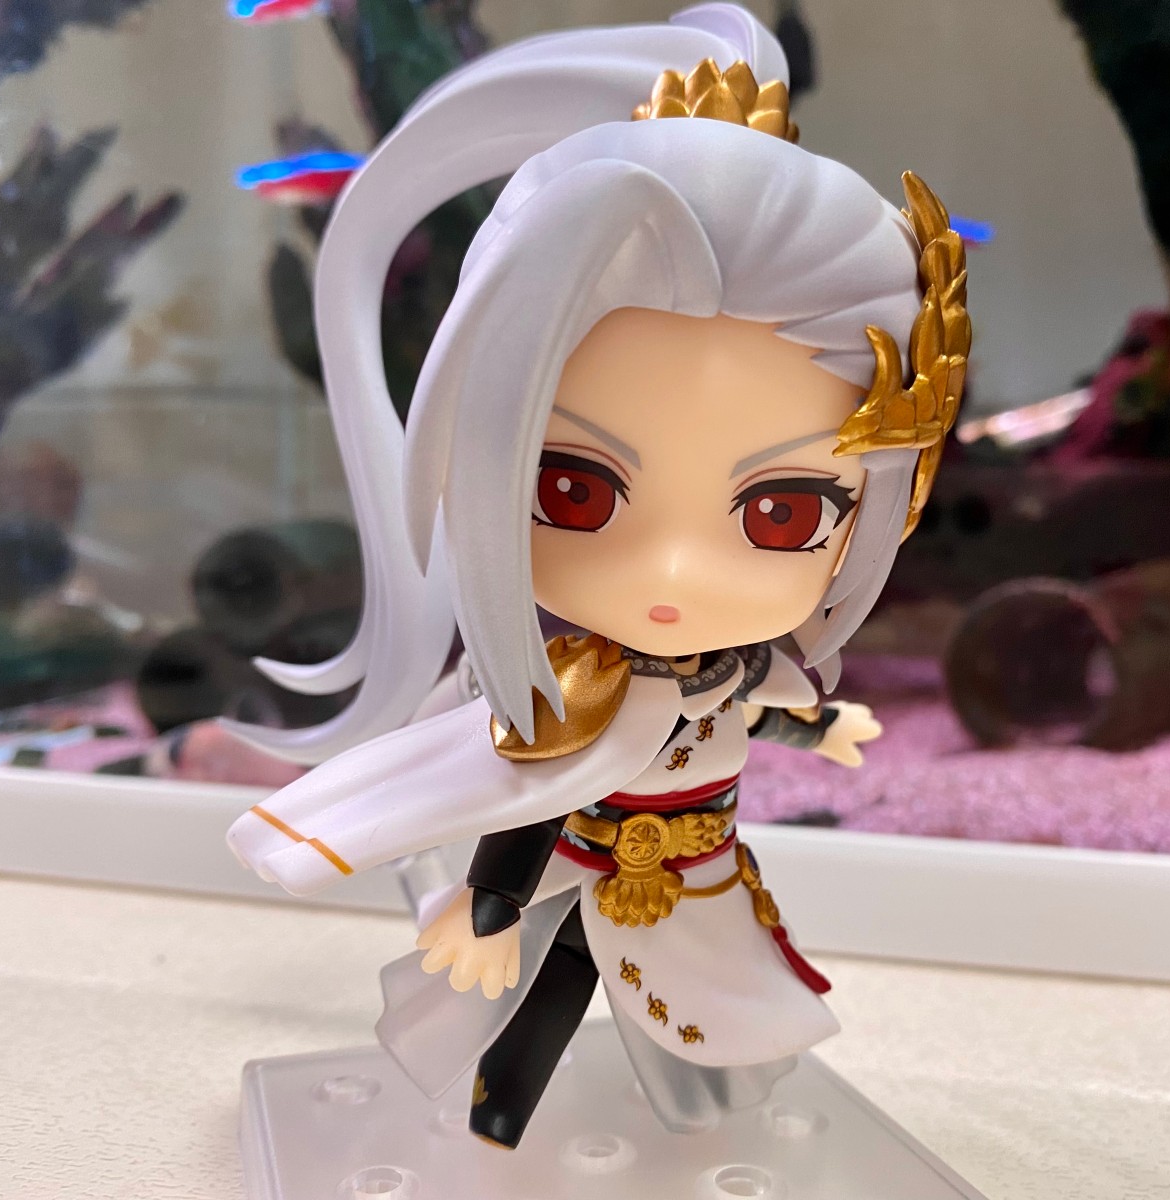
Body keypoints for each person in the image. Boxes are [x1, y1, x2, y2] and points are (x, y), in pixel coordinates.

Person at [225, 2, 968, 1150]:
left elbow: (754, 708)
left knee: (714, 1028)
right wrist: (487, 908)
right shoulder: (568, 688)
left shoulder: (737, 668)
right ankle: (498, 1122)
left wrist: (821, 726)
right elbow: (522, 794)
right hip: (573, 870)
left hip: (701, 884)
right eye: (575, 492)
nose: (669, 573)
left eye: (779, 513)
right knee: (535, 999)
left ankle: (695, 1119)